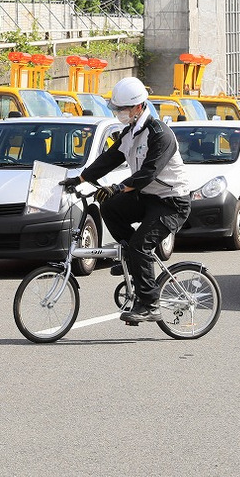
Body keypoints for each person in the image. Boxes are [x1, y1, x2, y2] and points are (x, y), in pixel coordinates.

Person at [60, 76, 191, 323]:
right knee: (108, 207)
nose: (118, 113)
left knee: (140, 246)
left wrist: (118, 187)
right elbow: (109, 158)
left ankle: (150, 304)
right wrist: (79, 179)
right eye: (116, 109)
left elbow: (147, 174)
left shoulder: (160, 134)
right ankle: (133, 259)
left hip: (172, 202)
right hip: (148, 197)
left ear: (138, 106)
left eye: (122, 109)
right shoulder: (130, 133)